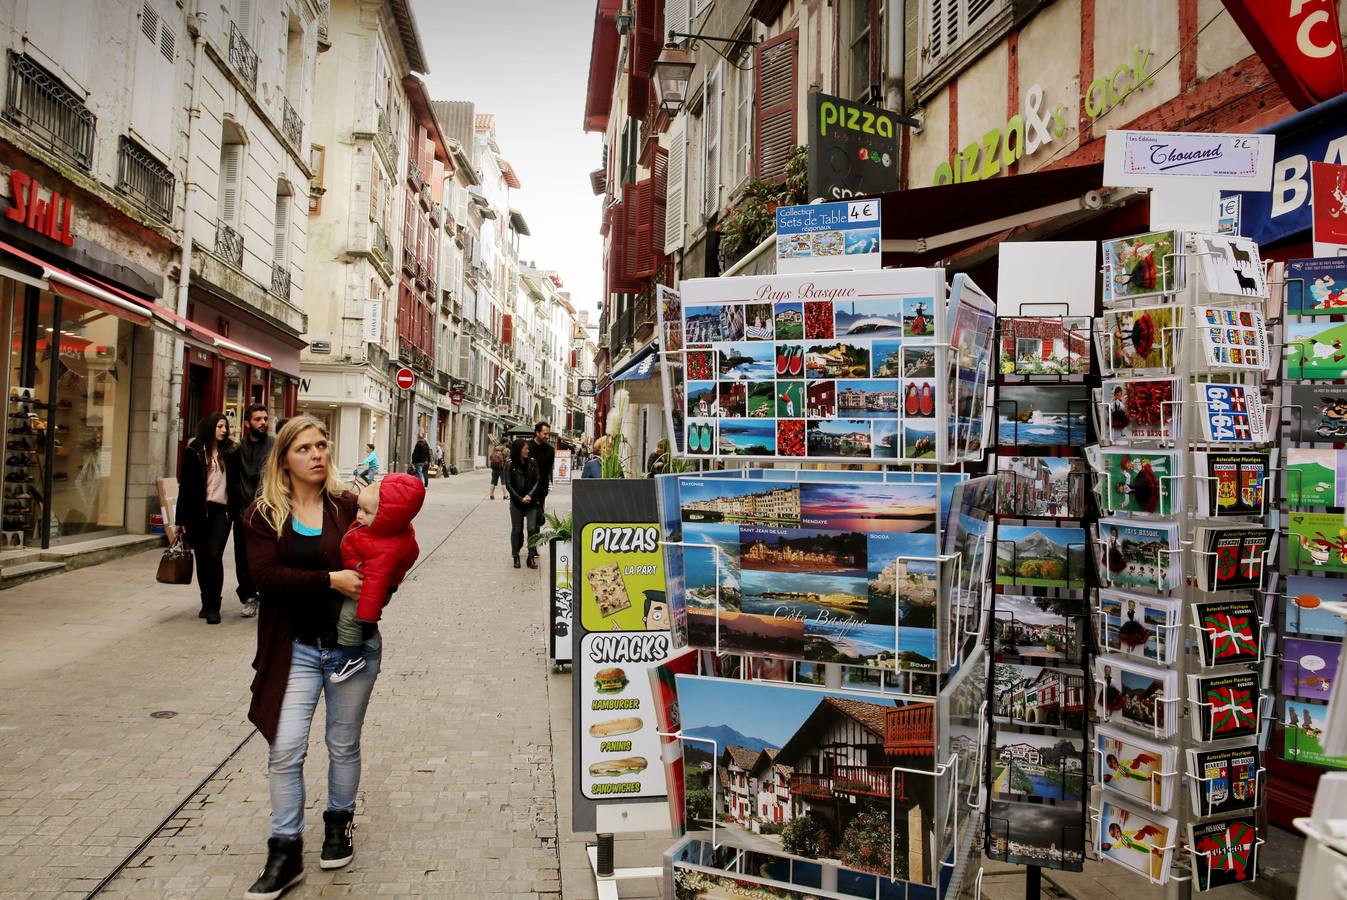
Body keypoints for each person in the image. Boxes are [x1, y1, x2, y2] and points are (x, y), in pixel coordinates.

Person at [241, 416, 375, 897]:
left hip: (350, 649)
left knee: (342, 744)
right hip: (295, 646)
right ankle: (285, 851)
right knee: (285, 749)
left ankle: (339, 825)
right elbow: (265, 578)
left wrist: (378, 581)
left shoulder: (346, 504)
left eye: (322, 445)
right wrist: (330, 581)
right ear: (284, 459)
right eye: (305, 448)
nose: (318, 454)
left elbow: (382, 555)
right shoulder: (262, 515)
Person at [333, 474, 423, 682]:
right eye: (359, 509)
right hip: (369, 579)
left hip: (368, 591)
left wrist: (366, 617)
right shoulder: (377, 530)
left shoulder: (385, 548)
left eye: (366, 512)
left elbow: (376, 583)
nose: (359, 516)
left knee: (348, 619)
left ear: (386, 516)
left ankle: (351, 658)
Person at [176, 413, 236, 625]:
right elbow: (185, 486)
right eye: (220, 426)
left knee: (214, 555)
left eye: (225, 427)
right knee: (202, 557)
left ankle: (214, 607)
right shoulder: (194, 451)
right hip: (198, 511)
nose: (224, 430)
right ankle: (205, 602)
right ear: (210, 427)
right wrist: (180, 519)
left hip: (222, 510)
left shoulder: (231, 451)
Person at [228, 404, 274, 618]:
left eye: (265, 418)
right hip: (243, 511)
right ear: (247, 423)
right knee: (242, 557)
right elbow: (231, 480)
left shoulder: (274, 446)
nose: (263, 422)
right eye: (258, 419)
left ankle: (268, 596)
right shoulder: (237, 449)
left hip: (270, 511)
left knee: (268, 555)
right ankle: (248, 596)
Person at [503, 439, 543, 569]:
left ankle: (531, 557)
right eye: (525, 448)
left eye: (527, 448)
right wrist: (520, 498)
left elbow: (538, 480)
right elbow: (508, 484)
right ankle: (516, 556)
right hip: (516, 502)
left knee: (532, 528)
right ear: (518, 450)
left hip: (531, 502)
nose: (527, 450)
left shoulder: (532, 462)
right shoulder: (510, 464)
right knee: (516, 529)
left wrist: (530, 495)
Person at [529, 421, 556, 513]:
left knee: (537, 519)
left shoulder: (550, 450)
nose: (547, 436)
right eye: (545, 434)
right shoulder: (527, 447)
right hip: (526, 488)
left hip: (541, 489)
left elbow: (549, 469)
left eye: (548, 434)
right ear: (537, 433)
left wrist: (547, 487)